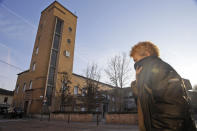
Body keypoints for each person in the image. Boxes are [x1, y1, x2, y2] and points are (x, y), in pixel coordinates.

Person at [130, 41, 196, 131]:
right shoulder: (147, 74)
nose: (135, 64)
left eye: (136, 60)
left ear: (147, 54)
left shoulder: (159, 69)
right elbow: (143, 105)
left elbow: (173, 109)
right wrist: (138, 82)